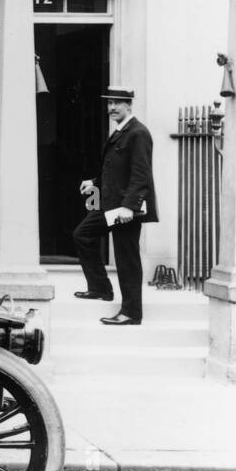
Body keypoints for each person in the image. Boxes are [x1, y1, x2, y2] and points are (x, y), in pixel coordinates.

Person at [71, 86, 158, 326]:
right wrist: (94, 182)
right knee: (82, 235)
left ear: (129, 104)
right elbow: (115, 170)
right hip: (110, 205)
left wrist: (130, 207)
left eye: (116, 103)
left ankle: (131, 312)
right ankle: (100, 288)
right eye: (109, 103)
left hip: (126, 209)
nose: (111, 108)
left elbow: (141, 174)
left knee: (126, 258)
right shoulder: (121, 131)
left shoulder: (138, 133)